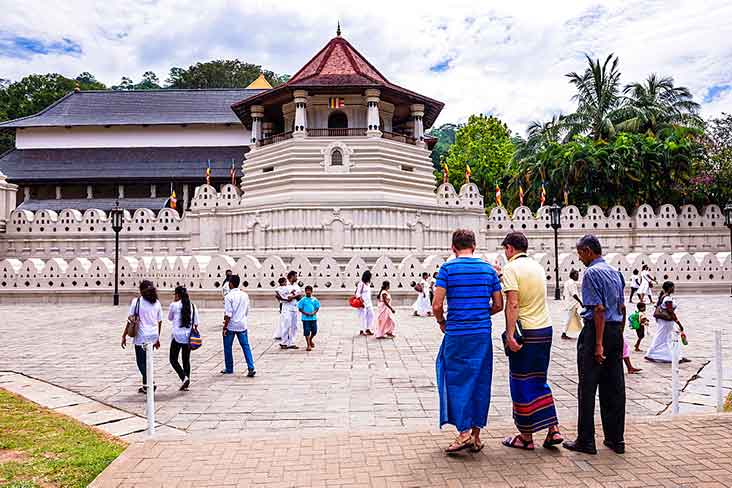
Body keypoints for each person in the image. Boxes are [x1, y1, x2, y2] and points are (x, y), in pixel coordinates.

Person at [433, 229, 504, 454]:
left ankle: (463, 432)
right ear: (474, 245)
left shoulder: (447, 269)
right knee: (480, 380)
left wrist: (442, 322)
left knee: (454, 379)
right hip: (481, 334)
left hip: (456, 333)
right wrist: (481, 315)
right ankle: (475, 435)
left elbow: (436, 305)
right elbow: (499, 304)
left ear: (453, 248)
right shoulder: (488, 270)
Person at [499, 232, 563, 451]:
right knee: (539, 380)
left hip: (525, 333)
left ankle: (525, 437)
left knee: (521, 382)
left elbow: (513, 303)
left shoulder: (510, 268)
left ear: (509, 248)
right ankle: (553, 429)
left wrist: (509, 335)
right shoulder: (536, 266)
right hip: (545, 329)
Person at [563, 235, 627, 455]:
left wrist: (598, 344)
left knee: (588, 387)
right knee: (614, 387)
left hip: (596, 332)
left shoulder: (591, 273)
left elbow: (598, 310)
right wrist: (618, 334)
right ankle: (616, 439)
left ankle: (586, 440)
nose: (580, 259)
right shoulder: (615, 272)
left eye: (580, 253)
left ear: (589, 251)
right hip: (615, 331)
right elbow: (622, 307)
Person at [121, 280, 162, 393]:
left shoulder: (137, 301)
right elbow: (160, 321)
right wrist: (157, 338)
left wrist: (124, 335)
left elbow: (131, 320)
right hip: (153, 335)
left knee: (141, 362)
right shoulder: (156, 302)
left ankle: (150, 382)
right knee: (148, 360)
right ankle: (145, 386)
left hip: (141, 335)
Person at [645, 281, 690, 364]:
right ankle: (651, 354)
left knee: (668, 338)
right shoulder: (667, 298)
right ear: (669, 288)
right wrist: (678, 322)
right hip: (666, 321)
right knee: (661, 337)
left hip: (665, 322)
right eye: (673, 287)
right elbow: (670, 311)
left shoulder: (664, 296)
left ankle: (675, 355)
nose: (674, 289)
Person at [221, 275, 255, 376]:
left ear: (230, 284)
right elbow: (247, 310)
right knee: (246, 346)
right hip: (242, 324)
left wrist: (225, 327)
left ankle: (229, 368)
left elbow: (228, 314)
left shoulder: (228, 296)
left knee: (228, 347)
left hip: (231, 325)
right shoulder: (245, 295)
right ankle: (251, 367)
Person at [168, 286, 199, 391]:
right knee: (186, 360)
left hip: (177, 336)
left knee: (173, 359)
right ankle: (187, 380)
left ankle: (183, 377)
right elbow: (196, 323)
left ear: (177, 295)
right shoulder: (192, 306)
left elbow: (170, 318)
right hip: (188, 337)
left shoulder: (174, 305)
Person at [280, 271, 303, 349]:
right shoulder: (285, 286)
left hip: (294, 307)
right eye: (296, 276)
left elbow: (300, 297)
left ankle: (291, 343)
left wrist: (293, 296)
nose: (297, 278)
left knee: (294, 326)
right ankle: (284, 342)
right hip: (286, 307)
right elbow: (280, 296)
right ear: (292, 277)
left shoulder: (296, 286)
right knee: (286, 324)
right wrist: (292, 297)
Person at [561, 269, 583, 340]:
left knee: (577, 318)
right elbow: (574, 294)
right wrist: (580, 302)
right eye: (577, 275)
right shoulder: (572, 283)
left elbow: (564, 294)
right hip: (572, 304)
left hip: (569, 303)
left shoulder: (567, 282)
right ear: (573, 275)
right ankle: (564, 333)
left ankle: (582, 332)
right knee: (569, 318)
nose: (578, 277)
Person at [298, 285, 320, 351]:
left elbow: (317, 307)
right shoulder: (303, 300)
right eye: (306, 291)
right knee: (306, 331)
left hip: (313, 318)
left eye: (309, 291)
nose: (308, 292)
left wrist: (314, 313)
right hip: (305, 319)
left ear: (311, 291)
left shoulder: (314, 299)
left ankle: (310, 339)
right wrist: (305, 313)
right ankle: (308, 345)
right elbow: (300, 308)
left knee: (314, 331)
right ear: (305, 291)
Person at [356, 270, 375, 336]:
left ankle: (368, 328)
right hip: (362, 303)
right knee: (363, 316)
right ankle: (362, 330)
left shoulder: (368, 283)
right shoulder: (361, 284)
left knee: (371, 315)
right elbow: (358, 293)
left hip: (369, 302)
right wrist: (361, 302)